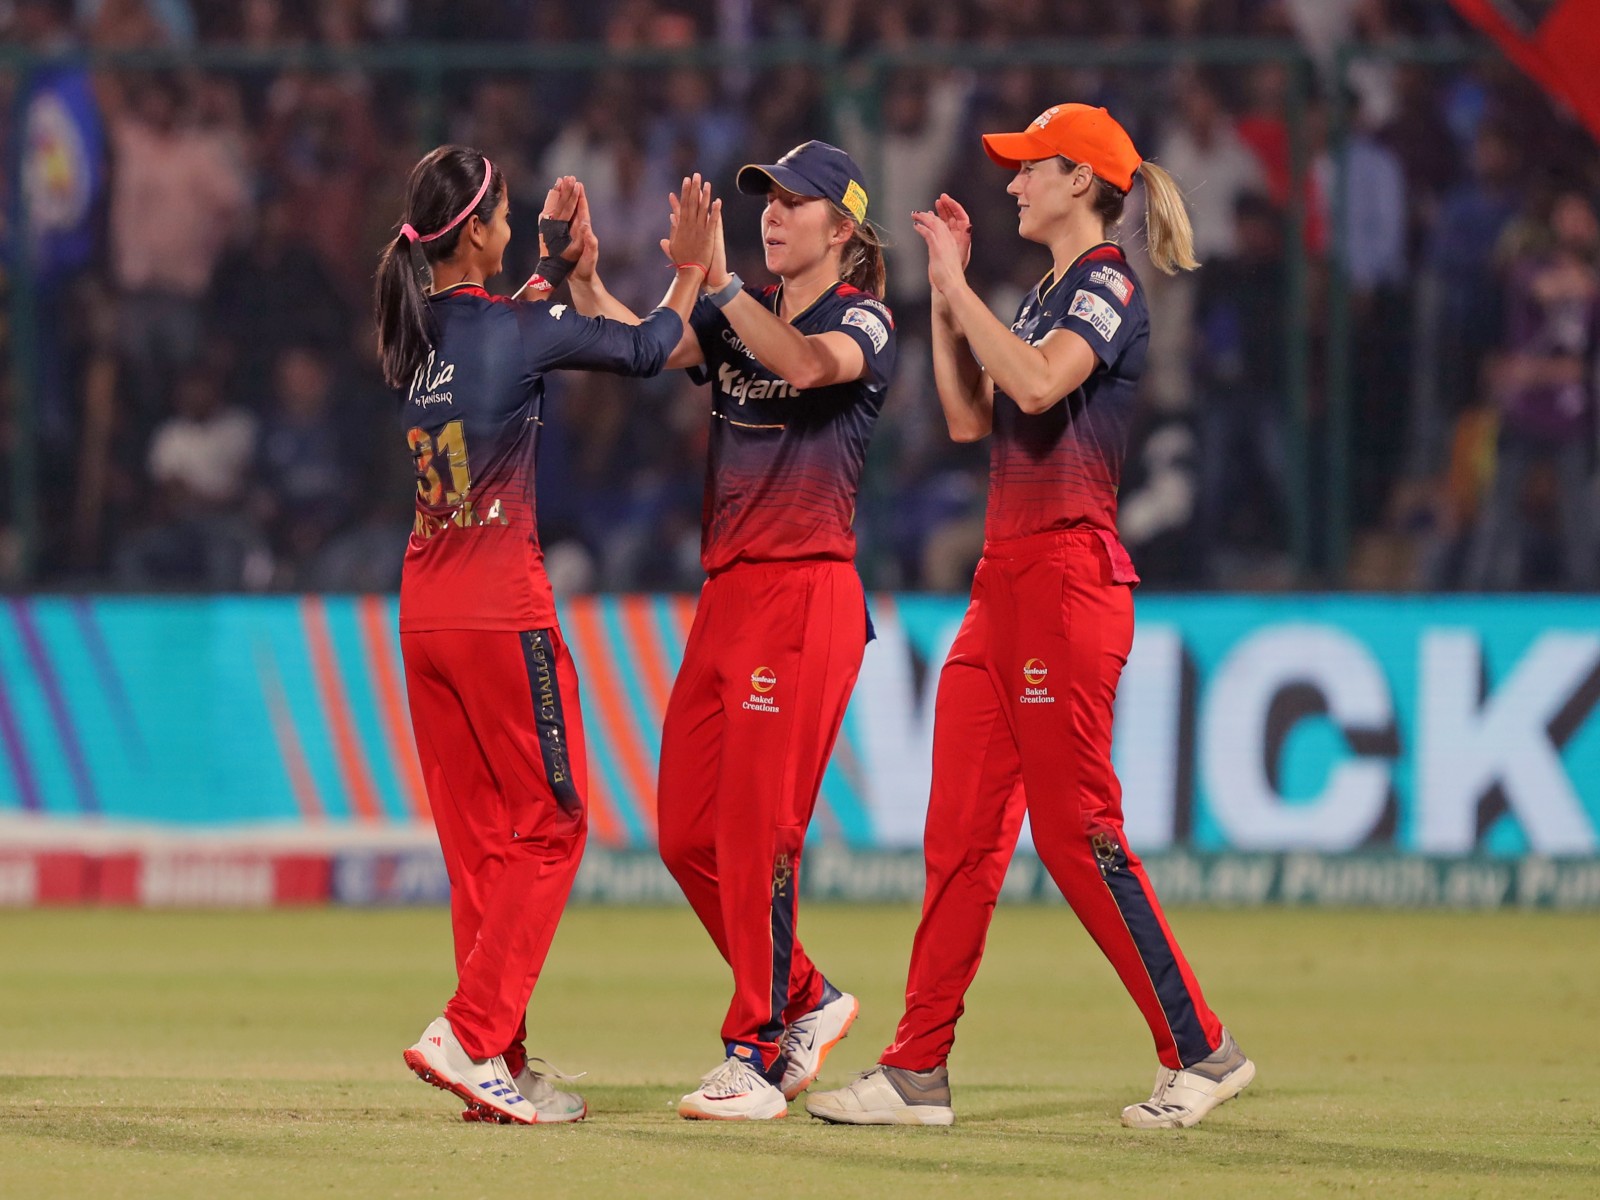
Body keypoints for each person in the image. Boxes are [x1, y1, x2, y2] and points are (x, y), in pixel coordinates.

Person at [807, 104, 1254, 1131]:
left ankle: (1201, 1048)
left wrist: (961, 289)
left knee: (1075, 832)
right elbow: (973, 416)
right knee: (959, 833)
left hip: (1065, 583)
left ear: (1081, 181)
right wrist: (943, 297)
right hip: (1003, 585)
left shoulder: (1107, 286)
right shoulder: (1048, 293)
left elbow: (1042, 383)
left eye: (1029, 168)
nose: (1011, 183)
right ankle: (917, 1071)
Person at [375, 145, 716, 1125]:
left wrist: (553, 262)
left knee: (481, 847)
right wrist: (690, 266)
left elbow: (510, 325)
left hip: (425, 608)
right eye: (505, 213)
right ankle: (471, 1031)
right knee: (554, 826)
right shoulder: (512, 329)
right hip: (499, 607)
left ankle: (497, 1066)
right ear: (477, 232)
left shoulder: (418, 334)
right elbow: (649, 349)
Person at [558, 140, 895, 1120]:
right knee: (685, 834)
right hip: (727, 594)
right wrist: (583, 278)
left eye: (795, 202)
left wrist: (715, 282)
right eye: (767, 200)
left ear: (843, 228)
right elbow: (640, 345)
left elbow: (805, 363)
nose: (773, 214)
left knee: (759, 832)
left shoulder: (863, 317)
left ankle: (755, 1050)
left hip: (804, 595)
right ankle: (806, 996)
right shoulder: (737, 308)